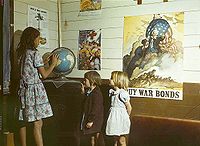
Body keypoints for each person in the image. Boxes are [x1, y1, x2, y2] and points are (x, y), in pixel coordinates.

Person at [16, 27, 58, 146]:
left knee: (23, 120)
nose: (39, 40)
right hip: (34, 91)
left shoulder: (21, 52)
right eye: (38, 38)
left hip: (23, 89)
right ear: (32, 39)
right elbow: (44, 75)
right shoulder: (35, 53)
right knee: (38, 123)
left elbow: (29, 68)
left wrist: (43, 62)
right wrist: (53, 65)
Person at [106, 71, 132, 146]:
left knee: (122, 139)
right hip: (113, 118)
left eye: (111, 78)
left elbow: (129, 107)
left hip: (121, 119)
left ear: (117, 80)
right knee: (114, 139)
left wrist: (126, 117)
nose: (109, 79)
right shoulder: (112, 92)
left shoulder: (122, 93)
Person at [80, 71, 105, 146]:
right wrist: (83, 93)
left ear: (92, 81)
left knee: (96, 137)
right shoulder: (90, 91)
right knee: (91, 138)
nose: (84, 82)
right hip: (90, 119)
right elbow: (86, 104)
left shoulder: (96, 93)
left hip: (94, 120)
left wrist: (90, 120)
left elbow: (95, 109)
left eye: (85, 80)